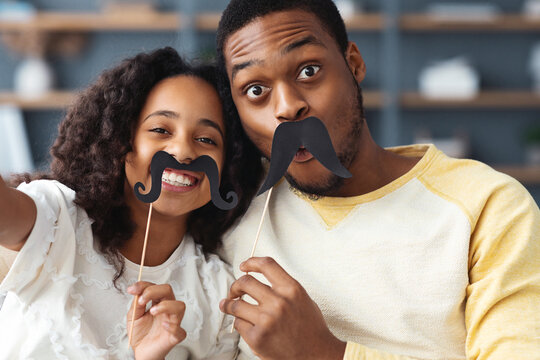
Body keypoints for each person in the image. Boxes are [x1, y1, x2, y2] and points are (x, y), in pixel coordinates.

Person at [214, 1, 540, 359]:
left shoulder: (488, 206)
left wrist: (324, 352)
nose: (288, 107)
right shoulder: (231, 204)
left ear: (354, 64)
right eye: (256, 91)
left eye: (308, 71)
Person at [0, 47, 263, 359]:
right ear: (121, 143)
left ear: (228, 167)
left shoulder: (218, 294)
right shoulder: (58, 218)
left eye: (206, 139)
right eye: (161, 130)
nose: (182, 151)